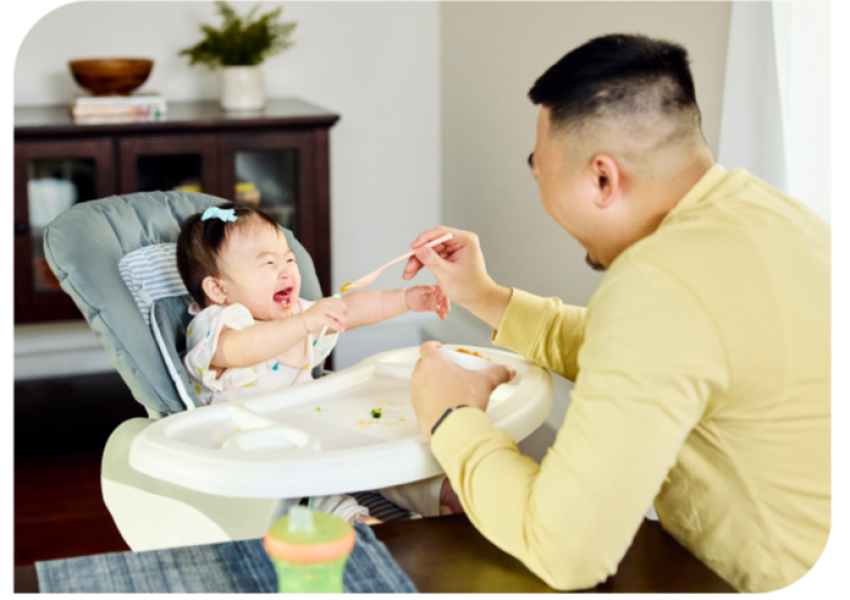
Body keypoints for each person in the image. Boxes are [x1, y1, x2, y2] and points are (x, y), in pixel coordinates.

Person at [402, 34, 830, 593]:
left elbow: (564, 551)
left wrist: (451, 417)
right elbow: (645, 352)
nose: (537, 180)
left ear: (603, 178)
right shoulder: (782, 219)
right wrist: (484, 295)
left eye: (539, 167)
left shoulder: (660, 281)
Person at [175, 202, 457, 522]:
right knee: (311, 492)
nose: (286, 270)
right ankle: (354, 522)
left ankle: (436, 492)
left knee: (374, 450)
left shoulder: (298, 313)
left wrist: (405, 299)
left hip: (313, 431)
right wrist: (304, 324)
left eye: (289, 259)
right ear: (218, 289)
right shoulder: (219, 325)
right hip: (257, 453)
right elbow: (241, 349)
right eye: (268, 263)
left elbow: (351, 308)